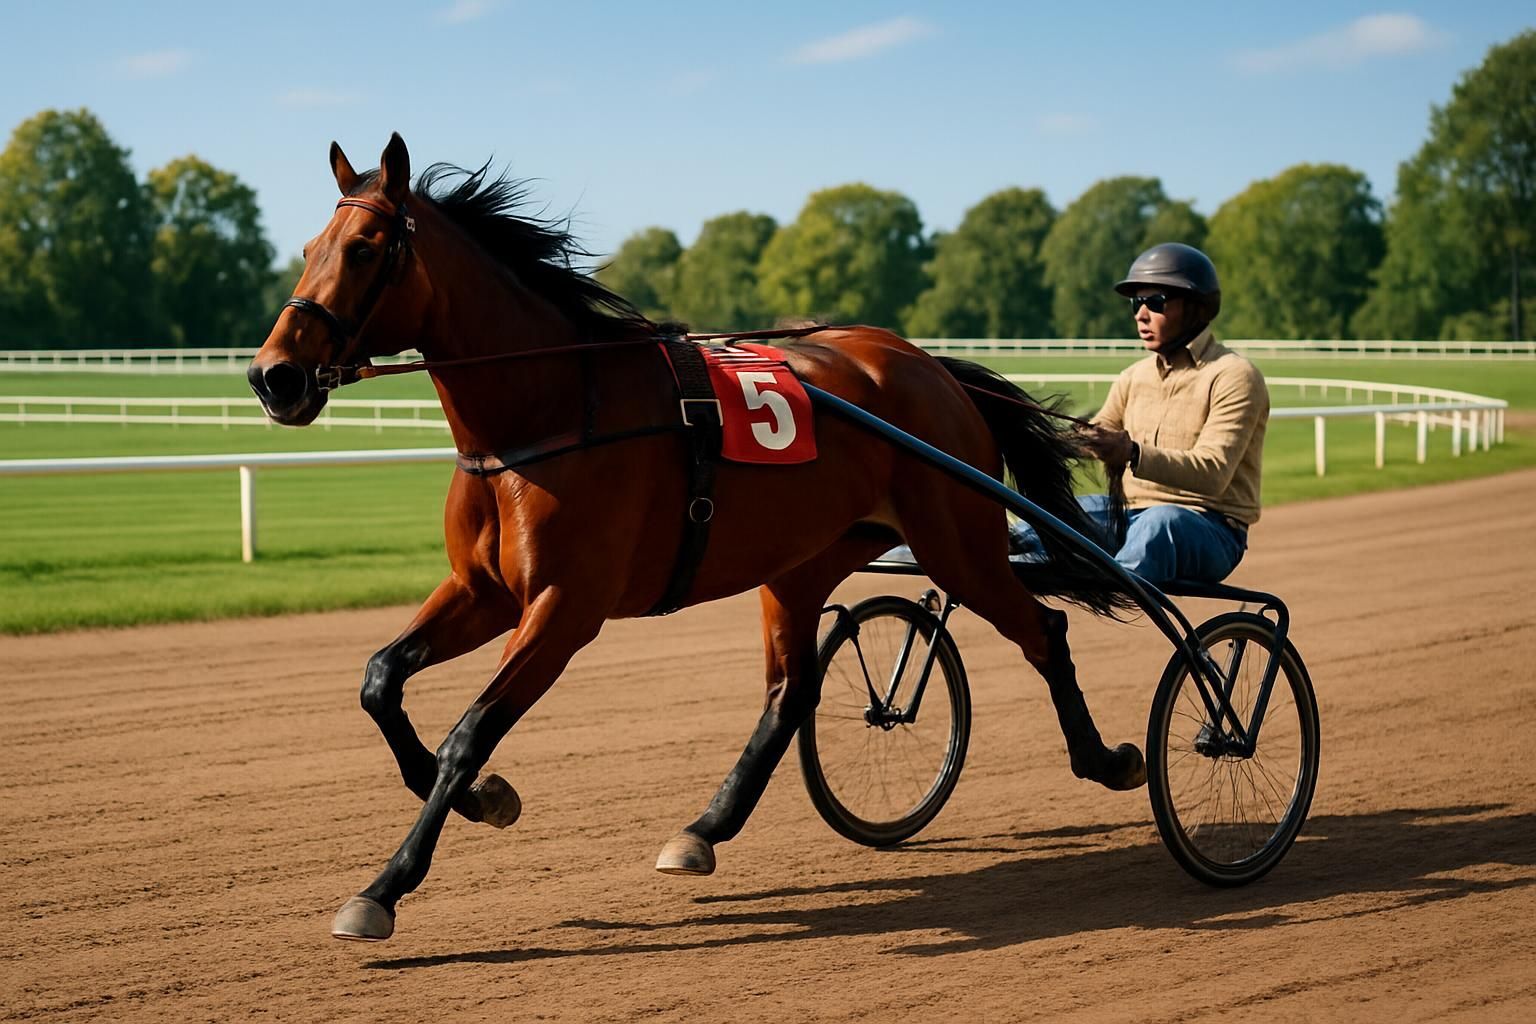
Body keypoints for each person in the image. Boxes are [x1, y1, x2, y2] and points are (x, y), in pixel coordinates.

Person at [1014, 242, 1269, 585]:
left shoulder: (1233, 375)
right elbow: (1096, 435)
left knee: (1159, 523)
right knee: (1046, 516)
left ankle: (1111, 584)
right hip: (1128, 515)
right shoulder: (1134, 376)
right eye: (1137, 302)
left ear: (1194, 308)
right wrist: (1040, 435)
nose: (1140, 314)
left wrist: (1132, 453)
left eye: (1155, 302)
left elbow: (1213, 473)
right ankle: (1013, 558)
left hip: (1212, 528)